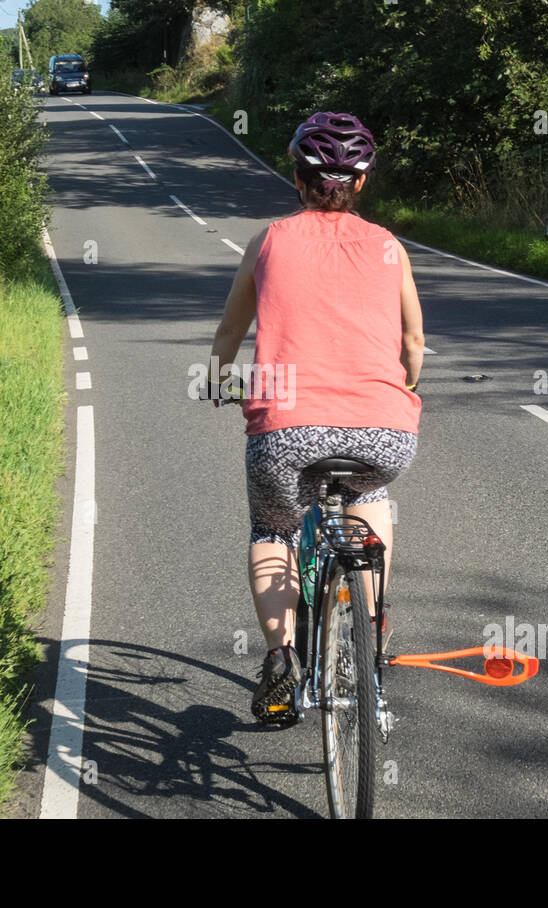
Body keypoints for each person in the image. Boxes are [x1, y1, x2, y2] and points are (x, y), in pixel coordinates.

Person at [204, 111, 425, 722]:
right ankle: (372, 637)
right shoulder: (389, 246)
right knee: (371, 500)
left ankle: (280, 662)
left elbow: (230, 331)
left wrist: (219, 381)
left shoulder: (269, 240)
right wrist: (399, 388)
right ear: (360, 184)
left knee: (273, 530)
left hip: (286, 430)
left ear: (298, 178)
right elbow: (413, 345)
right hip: (384, 429)